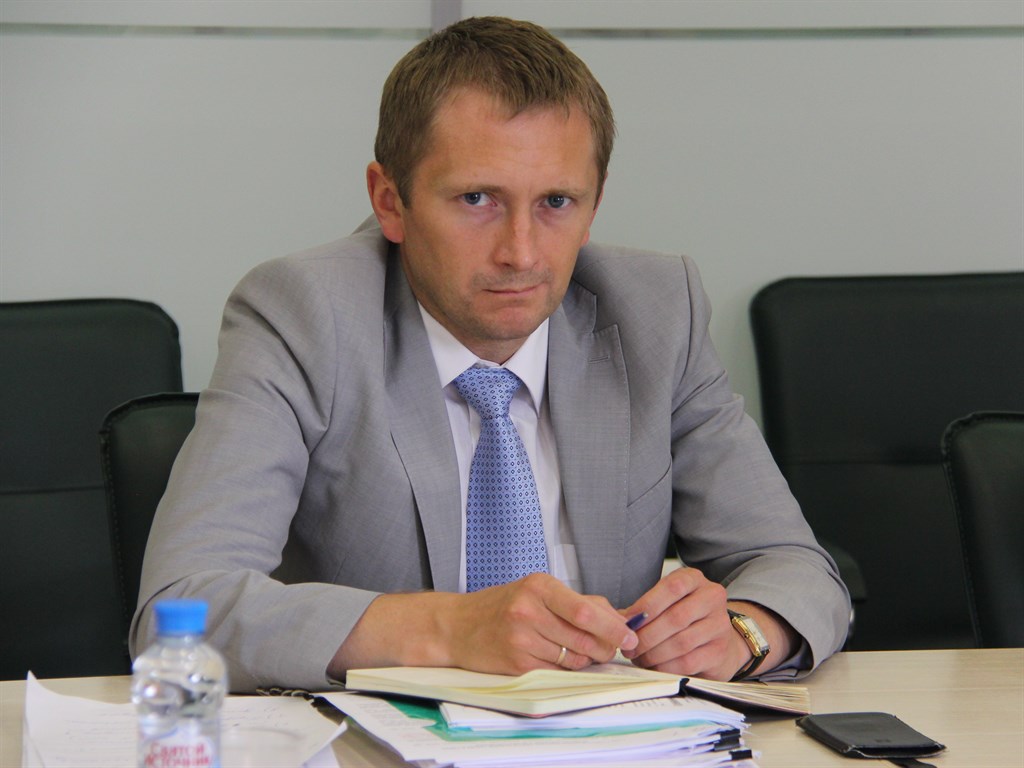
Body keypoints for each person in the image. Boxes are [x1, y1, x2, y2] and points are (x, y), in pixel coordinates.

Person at [132, 16, 850, 693]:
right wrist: (449, 628)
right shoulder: (304, 314)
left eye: (557, 202)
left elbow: (796, 568)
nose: (521, 253)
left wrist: (743, 632)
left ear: (594, 206)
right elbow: (184, 606)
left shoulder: (655, 312)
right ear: (390, 200)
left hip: (616, 743)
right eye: (477, 198)